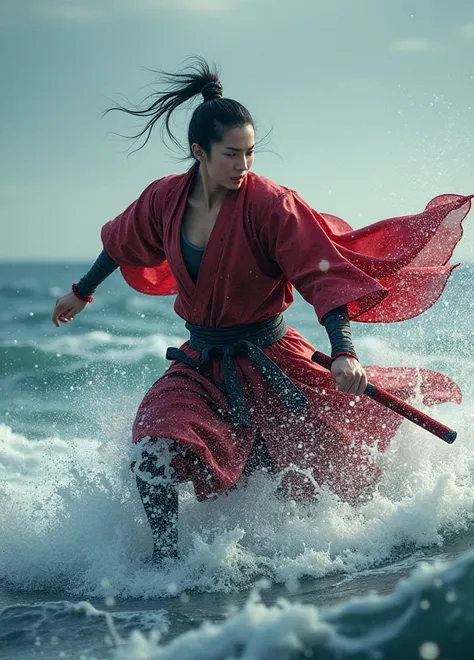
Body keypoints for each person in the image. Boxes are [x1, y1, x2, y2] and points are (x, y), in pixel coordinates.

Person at [51, 58, 472, 567]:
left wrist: (344, 352)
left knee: (300, 472)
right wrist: (81, 292)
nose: (243, 165)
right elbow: (120, 243)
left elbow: (323, 275)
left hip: (275, 361)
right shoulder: (165, 199)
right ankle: (165, 570)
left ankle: (291, 568)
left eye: (250, 153)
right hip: (203, 360)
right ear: (199, 153)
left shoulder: (273, 205)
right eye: (232, 154)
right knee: (153, 443)